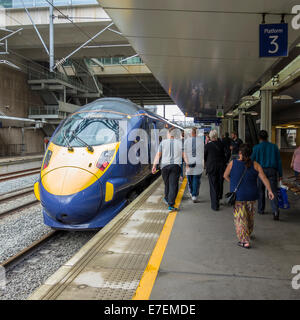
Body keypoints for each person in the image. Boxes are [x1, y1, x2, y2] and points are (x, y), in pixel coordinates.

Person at [224, 144, 274, 249]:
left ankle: (244, 241)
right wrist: (270, 191)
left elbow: (225, 175)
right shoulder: (255, 165)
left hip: (238, 196)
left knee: (240, 218)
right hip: (252, 195)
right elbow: (264, 178)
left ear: (240, 153)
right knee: (250, 216)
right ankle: (249, 232)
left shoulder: (233, 163)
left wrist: (233, 183)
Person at [152, 127, 188, 211]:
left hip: (164, 167)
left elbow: (158, 155)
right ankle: (170, 204)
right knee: (173, 185)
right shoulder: (180, 143)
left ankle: (167, 198)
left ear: (169, 134)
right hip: (175, 166)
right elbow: (184, 155)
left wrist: (154, 165)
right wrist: (187, 164)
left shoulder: (163, 143)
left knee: (167, 183)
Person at [251, 130, 282, 220]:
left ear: (259, 138)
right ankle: (275, 211)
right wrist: (280, 174)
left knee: (260, 190)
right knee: (273, 191)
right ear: (267, 137)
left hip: (261, 171)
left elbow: (252, 160)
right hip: (272, 171)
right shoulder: (274, 147)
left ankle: (261, 209)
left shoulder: (256, 148)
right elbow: (279, 161)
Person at [204, 130, 226, 211]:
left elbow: (204, 156)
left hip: (211, 167)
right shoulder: (221, 144)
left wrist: (205, 165)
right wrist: (224, 161)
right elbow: (226, 154)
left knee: (213, 185)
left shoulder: (208, 146)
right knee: (220, 183)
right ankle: (219, 197)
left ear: (210, 136)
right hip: (221, 167)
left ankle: (215, 205)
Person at [184, 127, 204, 203]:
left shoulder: (186, 141)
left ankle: (192, 192)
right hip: (198, 162)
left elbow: (184, 153)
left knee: (190, 179)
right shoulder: (201, 141)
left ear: (191, 133)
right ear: (197, 133)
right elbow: (202, 153)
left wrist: (186, 163)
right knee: (196, 178)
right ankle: (194, 196)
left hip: (189, 162)